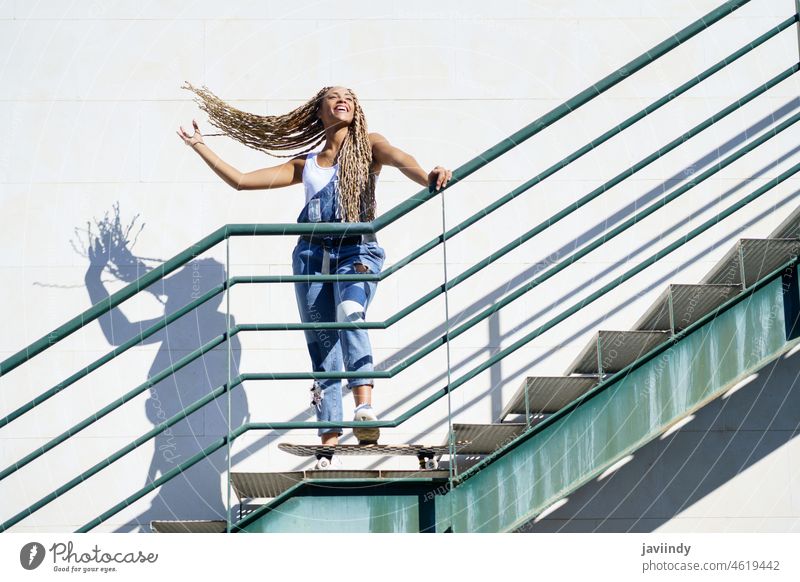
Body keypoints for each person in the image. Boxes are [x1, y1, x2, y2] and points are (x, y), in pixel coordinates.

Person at [177, 83, 452, 468]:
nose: (344, 101)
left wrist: (428, 176)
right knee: (323, 346)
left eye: (351, 98)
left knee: (351, 312)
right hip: (310, 258)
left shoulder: (370, 145)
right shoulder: (306, 164)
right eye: (334, 97)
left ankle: (365, 409)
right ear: (318, 111)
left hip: (356, 250)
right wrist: (199, 145)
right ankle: (328, 441)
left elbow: (402, 159)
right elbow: (240, 180)